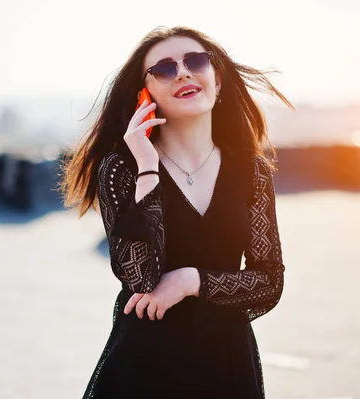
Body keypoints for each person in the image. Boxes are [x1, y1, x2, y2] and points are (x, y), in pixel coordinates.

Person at [59, 25, 293, 398]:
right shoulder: (123, 168)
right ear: (144, 96)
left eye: (196, 61)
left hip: (228, 366)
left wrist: (190, 281)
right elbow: (141, 280)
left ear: (217, 81)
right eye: (164, 69)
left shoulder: (252, 171)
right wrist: (147, 167)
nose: (183, 72)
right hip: (144, 366)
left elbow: (269, 282)